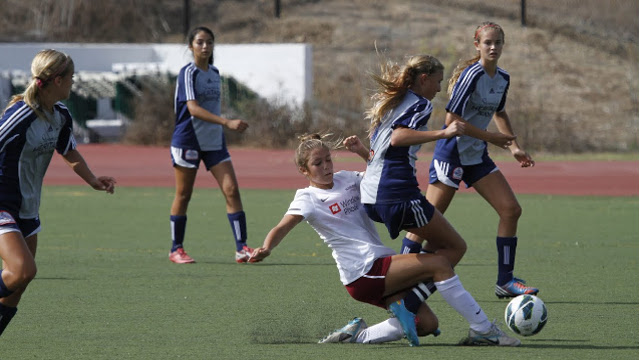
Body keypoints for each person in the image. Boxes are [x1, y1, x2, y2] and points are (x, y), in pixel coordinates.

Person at [249, 134, 520, 347]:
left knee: (425, 323)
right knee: (439, 263)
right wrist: (266, 247)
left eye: (328, 160)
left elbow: (380, 175)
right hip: (362, 272)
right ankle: (484, 329)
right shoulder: (306, 198)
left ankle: (357, 334)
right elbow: (283, 226)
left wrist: (360, 151)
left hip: (380, 264)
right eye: (317, 164)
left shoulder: (347, 178)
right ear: (303, 170)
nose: (326, 167)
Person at [401, 22, 539, 299]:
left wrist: (513, 147)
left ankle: (505, 281)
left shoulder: (502, 77)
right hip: (450, 155)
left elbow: (499, 112)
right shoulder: (471, 75)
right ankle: (397, 280)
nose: (493, 47)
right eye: (487, 42)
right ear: (476, 45)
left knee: (511, 210)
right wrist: (491, 137)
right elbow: (452, 121)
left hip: (477, 157)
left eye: (498, 42)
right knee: (424, 224)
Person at [0, 49, 116, 336]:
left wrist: (92, 180)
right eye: (71, 77)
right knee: (23, 271)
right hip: (2, 203)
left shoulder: (60, 115)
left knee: (18, 286)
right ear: (57, 80)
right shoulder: (20, 115)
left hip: (28, 207)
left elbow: (68, 149)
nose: (74, 83)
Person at [359, 54, 467, 299]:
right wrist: (444, 133)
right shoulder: (419, 103)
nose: (440, 89)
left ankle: (403, 291)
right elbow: (398, 138)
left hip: (371, 196)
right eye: (438, 82)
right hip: (396, 193)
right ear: (424, 79)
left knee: (431, 241)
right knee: (455, 247)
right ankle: (409, 302)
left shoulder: (394, 102)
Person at [169, 26, 252, 264]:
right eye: (200, 42)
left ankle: (242, 248)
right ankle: (176, 249)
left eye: (209, 42)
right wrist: (227, 121)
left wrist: (223, 124)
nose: (205, 47)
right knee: (184, 194)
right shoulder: (188, 72)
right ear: (191, 46)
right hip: (188, 140)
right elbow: (193, 109)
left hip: (214, 141)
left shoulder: (215, 73)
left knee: (231, 190)